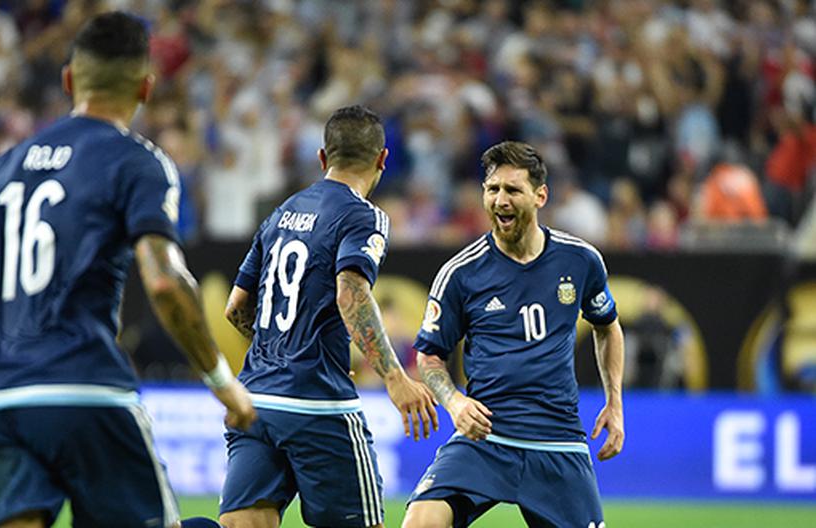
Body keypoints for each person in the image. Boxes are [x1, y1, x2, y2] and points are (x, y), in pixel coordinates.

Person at [0, 12, 255, 528]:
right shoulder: (138, 162)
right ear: (145, 87)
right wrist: (223, 382)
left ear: (69, 79)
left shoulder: (3, 165)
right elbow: (163, 279)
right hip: (84, 390)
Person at [220, 104, 438, 528]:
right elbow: (351, 291)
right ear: (382, 159)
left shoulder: (281, 214)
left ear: (323, 157)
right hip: (316, 405)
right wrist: (395, 378)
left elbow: (235, 307)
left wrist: (277, 351)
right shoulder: (363, 215)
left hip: (256, 401)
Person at [402, 141, 625, 528]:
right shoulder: (461, 273)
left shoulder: (580, 260)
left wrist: (615, 402)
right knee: (421, 522)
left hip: (558, 440)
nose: (500, 200)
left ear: (540, 196)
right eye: (492, 190)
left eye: (512, 190)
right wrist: (454, 403)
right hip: (486, 437)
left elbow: (607, 327)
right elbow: (430, 356)